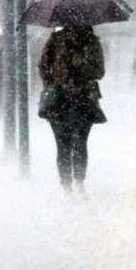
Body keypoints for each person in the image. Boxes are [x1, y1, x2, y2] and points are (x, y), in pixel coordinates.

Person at [38, 25, 106, 197]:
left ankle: (79, 182)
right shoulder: (56, 40)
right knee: (63, 145)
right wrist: (51, 85)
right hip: (59, 101)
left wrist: (80, 63)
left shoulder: (92, 42)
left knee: (80, 142)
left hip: (84, 99)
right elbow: (43, 65)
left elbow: (99, 72)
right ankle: (66, 185)